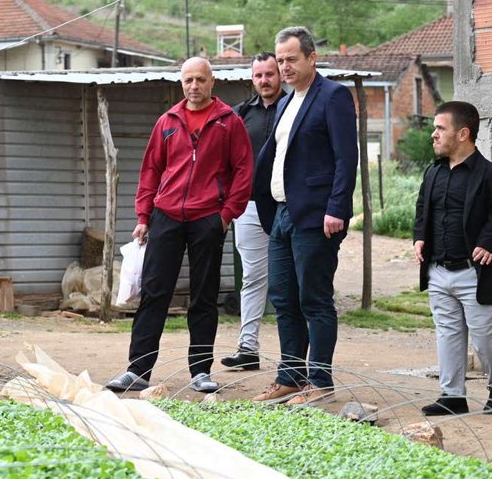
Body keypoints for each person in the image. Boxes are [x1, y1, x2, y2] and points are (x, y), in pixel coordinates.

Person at [106, 57, 253, 395]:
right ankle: (138, 370)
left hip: (208, 218)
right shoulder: (167, 122)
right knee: (154, 293)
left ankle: (201, 371)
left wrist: (227, 213)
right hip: (166, 216)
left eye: (200, 80)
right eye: (188, 80)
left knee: (204, 295)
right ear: (181, 83)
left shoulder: (229, 122)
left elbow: (244, 171)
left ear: (212, 82)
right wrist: (144, 217)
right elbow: (150, 172)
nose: (194, 86)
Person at [251, 26, 357, 406]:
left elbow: (347, 158)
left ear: (311, 58)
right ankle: (290, 377)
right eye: (280, 61)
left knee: (314, 300)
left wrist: (337, 208)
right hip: (280, 213)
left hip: (315, 215)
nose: (284, 67)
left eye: (291, 59)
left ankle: (321, 382)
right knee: (283, 298)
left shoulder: (333, 97)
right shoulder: (283, 102)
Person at [412, 101, 492, 416]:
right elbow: (422, 209)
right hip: (438, 270)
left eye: (440, 128)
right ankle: (453, 395)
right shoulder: (433, 173)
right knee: (447, 333)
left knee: (486, 338)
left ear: (463, 134)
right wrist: (419, 237)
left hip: (475, 273)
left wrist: (489, 242)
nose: (434, 135)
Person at [220, 52, 283, 371]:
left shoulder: (294, 109)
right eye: (259, 76)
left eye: (270, 74)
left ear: (280, 74)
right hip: (250, 206)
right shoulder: (240, 115)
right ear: (252, 79)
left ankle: (295, 356)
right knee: (253, 278)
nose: (264, 80)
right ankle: (248, 348)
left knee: (291, 282)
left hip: (288, 208)